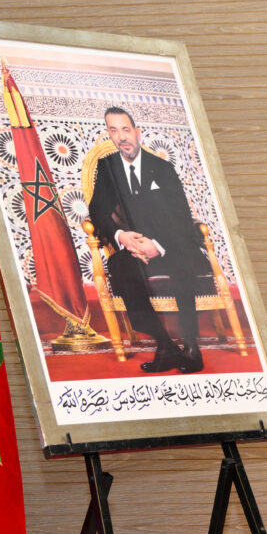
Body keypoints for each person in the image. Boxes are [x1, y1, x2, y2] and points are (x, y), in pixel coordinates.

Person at [88, 106, 207, 374]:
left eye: (126, 129)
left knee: (181, 264)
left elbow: (180, 215)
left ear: (137, 132)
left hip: (171, 245)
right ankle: (165, 346)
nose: (121, 137)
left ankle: (191, 348)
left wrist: (158, 246)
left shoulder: (162, 168)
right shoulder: (107, 167)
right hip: (134, 248)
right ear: (109, 134)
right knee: (119, 266)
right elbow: (97, 210)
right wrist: (121, 236)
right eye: (114, 131)